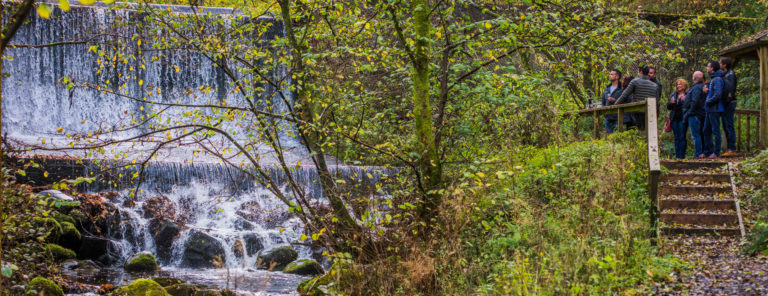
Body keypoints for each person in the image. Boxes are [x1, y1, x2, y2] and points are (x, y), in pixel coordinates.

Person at [612, 66, 659, 130]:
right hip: (649, 112)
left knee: (637, 131)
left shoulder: (635, 82)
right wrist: (656, 115)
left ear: (640, 72)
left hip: (637, 112)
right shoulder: (655, 85)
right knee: (647, 131)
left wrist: (615, 105)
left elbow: (624, 95)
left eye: (638, 72)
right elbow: (657, 102)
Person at [702, 61, 725, 159]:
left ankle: (716, 152)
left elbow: (718, 95)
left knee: (715, 130)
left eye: (708, 66)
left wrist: (708, 101)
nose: (707, 68)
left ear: (712, 68)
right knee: (706, 130)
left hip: (715, 109)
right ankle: (708, 151)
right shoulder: (713, 79)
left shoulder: (717, 79)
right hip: (709, 109)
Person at [683, 71, 707, 159]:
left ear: (694, 78)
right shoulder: (702, 87)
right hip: (699, 114)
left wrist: (689, 112)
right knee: (699, 134)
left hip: (695, 115)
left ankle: (698, 154)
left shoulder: (696, 88)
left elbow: (695, 101)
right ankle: (701, 153)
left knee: (696, 135)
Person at [720, 57, 738, 156]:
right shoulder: (725, 75)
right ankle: (729, 149)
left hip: (729, 103)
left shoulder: (730, 75)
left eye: (720, 63)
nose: (719, 65)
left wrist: (727, 101)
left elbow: (730, 90)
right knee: (726, 125)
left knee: (729, 125)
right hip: (726, 103)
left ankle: (732, 149)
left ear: (724, 65)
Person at [667, 78, 689, 159]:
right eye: (677, 84)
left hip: (683, 118)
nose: (678, 86)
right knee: (676, 137)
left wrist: (684, 101)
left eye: (680, 84)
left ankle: (682, 155)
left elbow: (689, 105)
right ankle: (677, 155)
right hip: (674, 118)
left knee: (682, 136)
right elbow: (668, 107)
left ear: (684, 85)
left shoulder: (687, 94)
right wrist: (671, 103)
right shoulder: (674, 94)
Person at [602, 69, 623, 134]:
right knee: (609, 136)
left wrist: (615, 100)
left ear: (617, 77)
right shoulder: (607, 88)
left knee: (617, 135)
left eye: (611, 74)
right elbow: (603, 101)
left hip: (617, 116)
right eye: (610, 74)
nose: (610, 75)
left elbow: (625, 100)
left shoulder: (622, 88)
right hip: (607, 116)